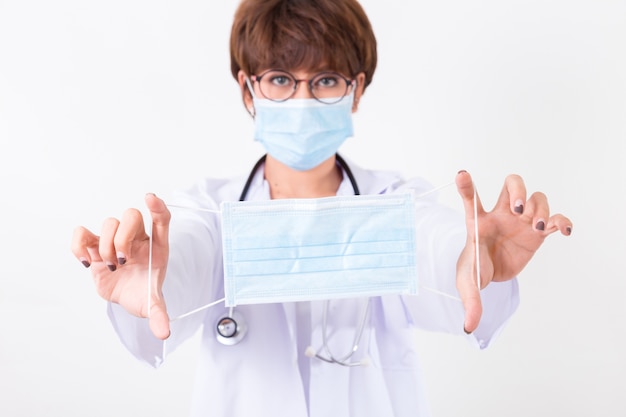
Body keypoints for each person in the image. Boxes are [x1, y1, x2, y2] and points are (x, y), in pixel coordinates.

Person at [71, 0, 573, 416]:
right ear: (249, 90)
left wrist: (468, 261)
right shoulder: (206, 210)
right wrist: (156, 279)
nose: (304, 98)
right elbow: (185, 259)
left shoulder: (393, 202)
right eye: (281, 80)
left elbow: (433, 246)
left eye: (327, 80)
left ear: (356, 90)